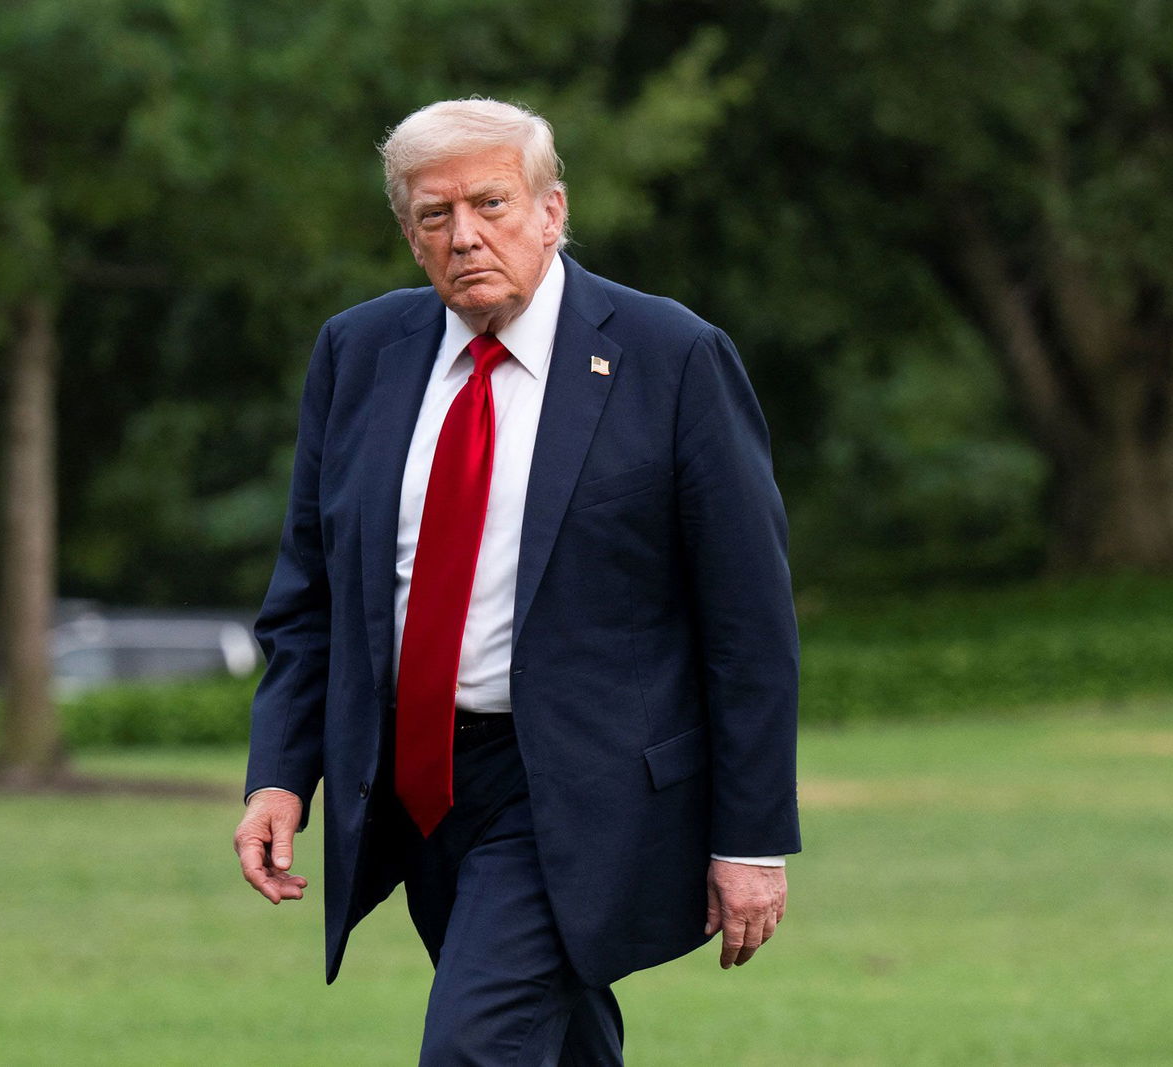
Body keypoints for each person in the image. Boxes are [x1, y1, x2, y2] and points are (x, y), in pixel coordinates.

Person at [231, 96, 800, 1065]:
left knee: (473, 1046)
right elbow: (312, 593)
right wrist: (283, 769)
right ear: (410, 237)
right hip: (415, 782)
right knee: (557, 1042)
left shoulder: (672, 360)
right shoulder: (359, 353)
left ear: (552, 212)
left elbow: (748, 622)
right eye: (434, 215)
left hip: (579, 787)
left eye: (491, 204)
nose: (465, 236)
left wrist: (750, 837)